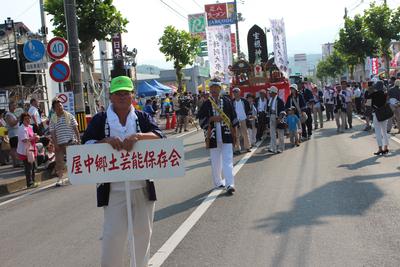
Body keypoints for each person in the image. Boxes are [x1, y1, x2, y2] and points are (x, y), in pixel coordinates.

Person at [81, 76, 164, 267]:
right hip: (113, 189)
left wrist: (139, 136)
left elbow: (160, 135)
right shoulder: (100, 119)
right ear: (110, 96)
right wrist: (105, 141)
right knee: (113, 235)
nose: (122, 97)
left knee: (143, 232)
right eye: (118, 93)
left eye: (126, 93)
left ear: (133, 95)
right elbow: (86, 143)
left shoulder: (142, 117)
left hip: (142, 185)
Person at [198, 78, 238, 195]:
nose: (214, 90)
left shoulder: (227, 101)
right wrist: (211, 119)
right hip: (213, 135)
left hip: (226, 134)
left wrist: (235, 132)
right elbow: (201, 119)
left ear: (220, 89)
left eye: (216, 88)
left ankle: (230, 184)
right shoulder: (206, 103)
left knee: (228, 160)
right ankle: (217, 182)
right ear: (210, 90)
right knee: (215, 161)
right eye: (212, 88)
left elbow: (233, 117)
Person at [50, 97, 81, 186]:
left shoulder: (69, 115)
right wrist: (55, 144)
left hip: (71, 142)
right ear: (54, 109)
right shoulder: (53, 118)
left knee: (73, 160)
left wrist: (78, 140)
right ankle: (60, 179)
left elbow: (75, 128)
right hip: (59, 144)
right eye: (57, 106)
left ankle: (75, 177)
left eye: (60, 105)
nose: (60, 107)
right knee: (59, 162)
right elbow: (52, 132)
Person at [366, 80, 390, 155]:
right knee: (385, 132)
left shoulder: (373, 94)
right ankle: (386, 148)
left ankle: (380, 149)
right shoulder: (385, 94)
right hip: (385, 114)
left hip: (376, 114)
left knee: (378, 132)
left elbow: (367, 103)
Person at [17, 112, 39, 188]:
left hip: (31, 149)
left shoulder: (30, 127)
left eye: (28, 118)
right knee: (28, 167)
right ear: (22, 120)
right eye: (25, 119)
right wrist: (34, 138)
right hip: (25, 151)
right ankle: (29, 183)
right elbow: (24, 140)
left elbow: (31, 137)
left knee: (32, 166)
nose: (28, 120)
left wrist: (35, 137)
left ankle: (33, 181)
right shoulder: (21, 128)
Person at [232, 87, 251, 154]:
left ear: (239, 93)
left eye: (236, 92)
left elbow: (248, 109)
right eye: (234, 92)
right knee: (236, 135)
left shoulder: (244, 101)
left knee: (245, 133)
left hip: (243, 118)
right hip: (236, 120)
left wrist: (248, 116)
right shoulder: (232, 102)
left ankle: (247, 147)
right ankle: (237, 149)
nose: (235, 93)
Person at [267, 86, 285, 153]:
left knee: (280, 133)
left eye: (270, 92)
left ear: (274, 93)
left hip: (278, 118)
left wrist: (279, 118)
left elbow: (283, 111)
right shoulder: (270, 100)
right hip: (271, 116)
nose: (269, 93)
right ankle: (273, 147)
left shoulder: (280, 100)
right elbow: (268, 109)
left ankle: (281, 148)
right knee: (272, 133)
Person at [4, 101, 20, 167]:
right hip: (13, 134)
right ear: (9, 107)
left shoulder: (13, 114)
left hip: (17, 133)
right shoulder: (8, 115)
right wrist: (18, 119)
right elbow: (11, 124)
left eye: (15, 106)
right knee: (14, 149)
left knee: (16, 148)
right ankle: (15, 163)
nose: (14, 107)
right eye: (13, 106)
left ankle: (16, 162)